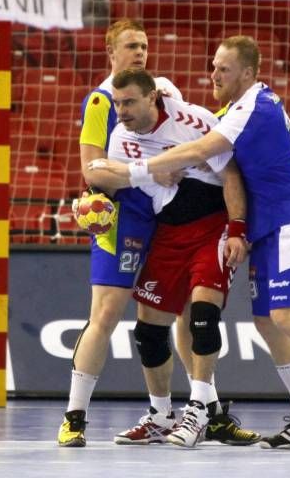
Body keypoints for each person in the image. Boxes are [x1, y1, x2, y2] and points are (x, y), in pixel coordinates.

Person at [89, 35, 290, 449]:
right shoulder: (233, 109)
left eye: (222, 69)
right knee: (266, 320)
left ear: (247, 73)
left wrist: (138, 171)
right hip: (263, 224)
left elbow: (200, 149)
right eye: (212, 65)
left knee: (284, 315)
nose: (213, 74)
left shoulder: (251, 108)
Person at [58, 20, 253, 448]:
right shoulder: (100, 102)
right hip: (127, 217)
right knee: (108, 314)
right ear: (111, 51)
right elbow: (94, 172)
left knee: (189, 315)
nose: (140, 52)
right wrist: (102, 193)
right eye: (131, 46)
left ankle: (207, 414)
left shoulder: (167, 91)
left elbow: (193, 147)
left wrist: (176, 167)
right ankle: (75, 416)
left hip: (167, 219)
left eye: (144, 45)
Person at [107, 69, 260, 448]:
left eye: (129, 102)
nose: (121, 111)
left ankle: (199, 409)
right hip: (168, 234)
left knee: (204, 318)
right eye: (117, 103)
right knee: (148, 331)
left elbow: (232, 175)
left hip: (212, 226)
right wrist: (148, 177)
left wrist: (238, 228)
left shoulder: (194, 120)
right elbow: (108, 176)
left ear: (152, 99)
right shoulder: (119, 137)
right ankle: (160, 415)